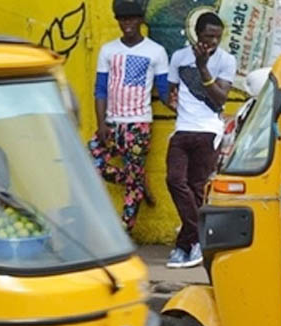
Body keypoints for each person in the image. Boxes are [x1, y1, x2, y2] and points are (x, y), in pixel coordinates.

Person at [88, 0, 170, 233]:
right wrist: (101, 123)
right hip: (113, 122)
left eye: (132, 19)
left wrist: (182, 104)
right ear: (117, 21)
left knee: (132, 184)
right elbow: (101, 89)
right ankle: (136, 181)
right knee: (92, 161)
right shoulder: (108, 50)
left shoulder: (156, 51)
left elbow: (163, 90)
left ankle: (125, 230)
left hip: (139, 123)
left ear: (141, 20)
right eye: (123, 20)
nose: (128, 24)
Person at [165, 12, 236, 268]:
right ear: (197, 35)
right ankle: (199, 238)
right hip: (183, 129)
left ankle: (186, 245)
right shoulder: (178, 57)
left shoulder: (226, 60)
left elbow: (220, 99)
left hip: (208, 131)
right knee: (174, 180)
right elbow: (171, 90)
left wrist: (203, 66)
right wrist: (177, 103)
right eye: (208, 37)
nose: (213, 42)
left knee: (196, 188)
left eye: (217, 37)